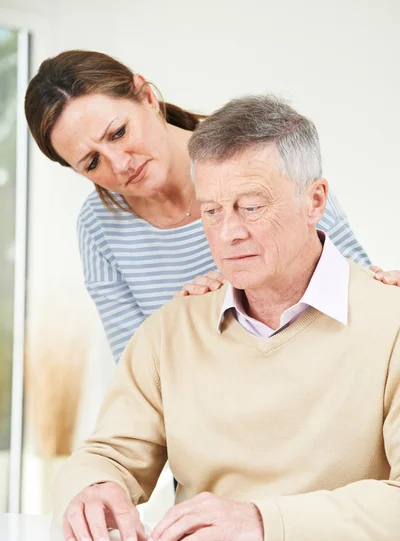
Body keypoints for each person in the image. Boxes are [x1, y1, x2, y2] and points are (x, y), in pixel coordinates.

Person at [52, 94, 400, 541]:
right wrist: (92, 487)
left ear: (315, 201)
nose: (228, 233)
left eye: (251, 206)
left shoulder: (389, 322)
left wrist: (261, 521)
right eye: (212, 211)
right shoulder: (168, 331)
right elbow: (106, 455)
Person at [24, 50, 400, 363]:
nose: (120, 163)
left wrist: (383, 294)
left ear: (147, 96)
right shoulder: (99, 227)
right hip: (209, 415)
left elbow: (354, 291)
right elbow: (137, 367)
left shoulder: (253, 155)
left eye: (119, 133)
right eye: (92, 163)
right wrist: (181, 320)